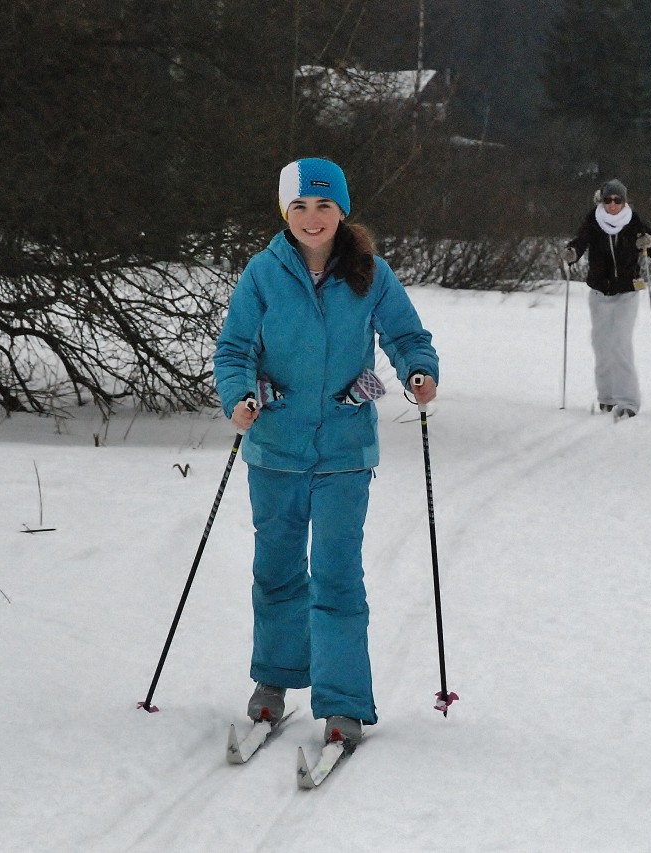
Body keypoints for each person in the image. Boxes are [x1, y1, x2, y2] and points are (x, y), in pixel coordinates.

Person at [213, 157, 439, 748]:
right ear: (285, 212)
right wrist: (238, 396)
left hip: (344, 449)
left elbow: (406, 336)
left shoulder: (371, 273)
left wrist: (419, 370)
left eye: (323, 206)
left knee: (337, 574)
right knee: (277, 570)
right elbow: (234, 348)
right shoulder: (263, 274)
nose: (312, 218)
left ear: (341, 211)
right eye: (300, 207)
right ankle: (274, 680)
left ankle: (343, 702)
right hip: (275, 446)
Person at [561, 178, 651, 419]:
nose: (612, 205)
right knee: (601, 345)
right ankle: (607, 397)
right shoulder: (594, 220)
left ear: (624, 201)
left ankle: (628, 401)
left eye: (617, 200)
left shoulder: (634, 222)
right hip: (599, 293)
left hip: (626, 293)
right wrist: (572, 252)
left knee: (620, 344)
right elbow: (580, 242)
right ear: (602, 200)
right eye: (608, 200)